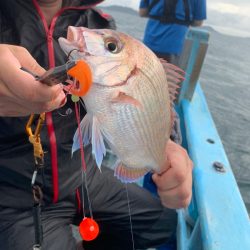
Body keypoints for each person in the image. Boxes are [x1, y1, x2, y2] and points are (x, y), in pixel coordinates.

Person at [0, 1, 193, 250]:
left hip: (84, 174)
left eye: (110, 47)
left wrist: (165, 143)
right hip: (17, 195)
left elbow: (141, 100)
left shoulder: (98, 23)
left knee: (161, 224)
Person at [139, 0, 207, 66]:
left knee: (143, 75)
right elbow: (198, 22)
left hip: (149, 44)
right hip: (174, 47)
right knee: (169, 76)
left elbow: (142, 12)